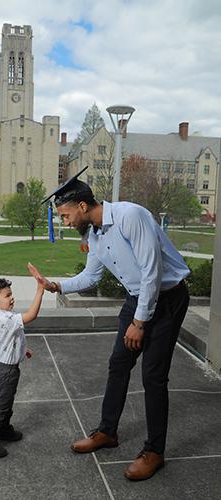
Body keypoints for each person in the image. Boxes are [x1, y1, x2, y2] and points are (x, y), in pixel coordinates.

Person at [29, 167, 190, 480]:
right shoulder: (95, 235)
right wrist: (55, 286)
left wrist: (139, 322)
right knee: (118, 364)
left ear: (83, 207)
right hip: (138, 299)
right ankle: (107, 433)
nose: (65, 222)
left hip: (167, 298)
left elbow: (151, 273)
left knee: (153, 376)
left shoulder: (131, 216)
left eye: (65, 216)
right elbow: (91, 276)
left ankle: (155, 451)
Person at [0, 275, 44, 458]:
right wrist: (39, 291)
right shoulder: (4, 319)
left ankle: (3, 428)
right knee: (0, 405)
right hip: (5, 369)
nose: (12, 298)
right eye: (7, 295)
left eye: (11, 294)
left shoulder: (1, 316)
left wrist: (22, 350)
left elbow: (9, 339)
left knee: (7, 401)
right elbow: (31, 315)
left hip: (7, 366)